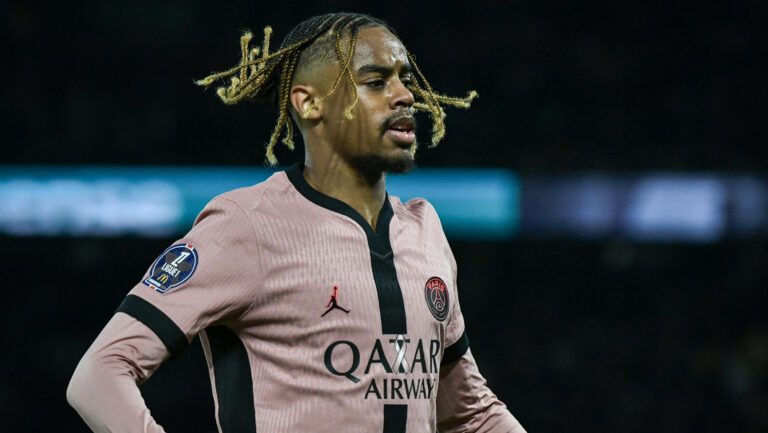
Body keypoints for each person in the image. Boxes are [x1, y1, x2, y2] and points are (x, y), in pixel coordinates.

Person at [67, 12, 526, 433]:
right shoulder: (246, 225)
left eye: (404, 80)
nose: (405, 95)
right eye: (375, 81)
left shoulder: (425, 230)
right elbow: (99, 375)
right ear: (308, 103)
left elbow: (469, 412)